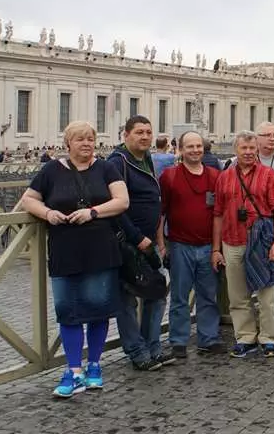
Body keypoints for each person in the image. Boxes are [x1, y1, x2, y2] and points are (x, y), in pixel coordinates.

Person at [20, 121, 128, 397]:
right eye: (80, 139)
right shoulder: (51, 171)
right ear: (68, 143)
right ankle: (73, 370)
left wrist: (93, 212)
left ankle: (94, 366)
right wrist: (47, 213)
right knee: (67, 310)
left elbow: (121, 200)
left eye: (90, 139)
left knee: (97, 307)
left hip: (100, 247)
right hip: (64, 247)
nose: (87, 144)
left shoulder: (106, 168)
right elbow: (29, 199)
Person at [211, 131, 274, 358]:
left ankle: (269, 337)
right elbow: (217, 214)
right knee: (237, 295)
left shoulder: (270, 175)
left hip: (261, 241)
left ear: (257, 150)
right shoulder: (224, 177)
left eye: (251, 149)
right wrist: (216, 248)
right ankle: (245, 337)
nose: (248, 153)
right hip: (232, 240)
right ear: (236, 150)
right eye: (243, 149)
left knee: (267, 293)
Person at [108, 116, 172, 372]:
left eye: (148, 132)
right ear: (126, 135)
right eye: (139, 133)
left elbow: (154, 201)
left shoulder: (146, 159)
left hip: (148, 242)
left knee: (156, 293)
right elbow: (116, 207)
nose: (145, 137)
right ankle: (137, 350)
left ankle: (152, 346)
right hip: (128, 243)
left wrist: (158, 238)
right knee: (127, 300)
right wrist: (138, 238)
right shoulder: (117, 162)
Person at [158, 131, 224, 359]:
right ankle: (178, 340)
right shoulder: (169, 176)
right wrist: (162, 245)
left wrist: (217, 248)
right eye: (190, 147)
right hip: (179, 245)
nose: (195, 150)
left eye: (199, 146)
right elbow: (161, 213)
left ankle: (208, 338)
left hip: (207, 245)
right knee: (179, 296)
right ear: (180, 149)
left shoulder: (216, 176)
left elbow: (219, 214)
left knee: (208, 295)